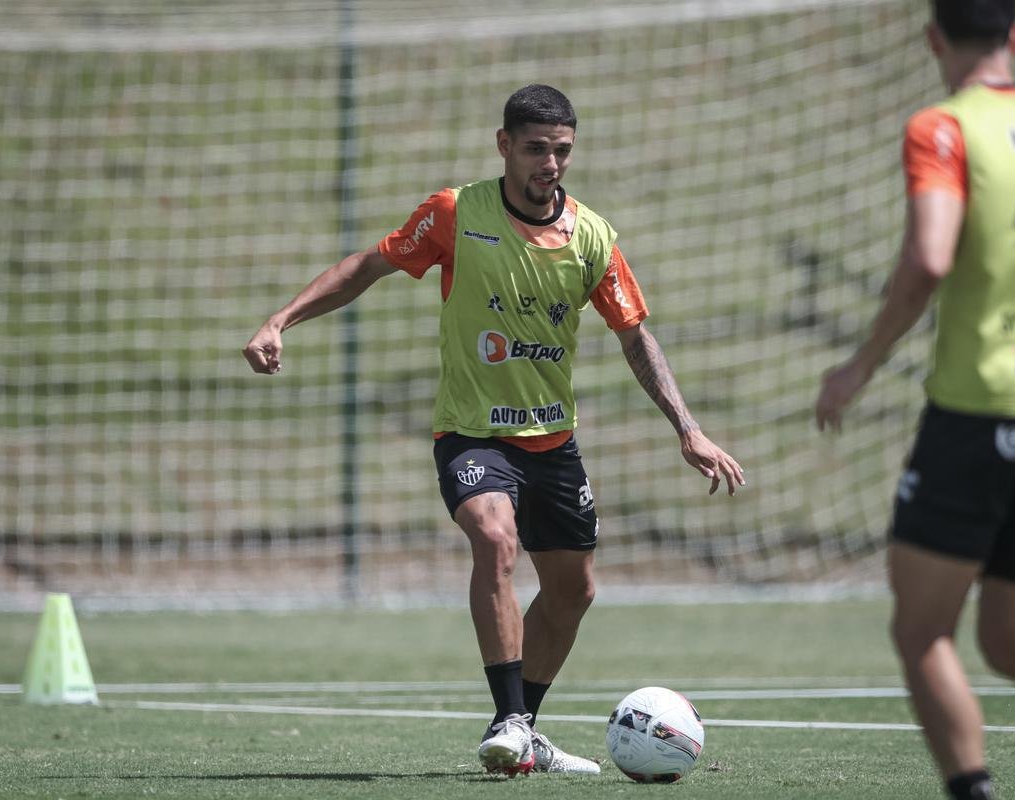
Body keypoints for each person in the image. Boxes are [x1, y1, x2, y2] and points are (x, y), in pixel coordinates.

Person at [244, 84, 744, 777]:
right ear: (503, 144)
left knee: (573, 591)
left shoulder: (592, 236)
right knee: (493, 535)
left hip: (552, 441)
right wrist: (280, 320)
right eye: (536, 148)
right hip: (471, 434)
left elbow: (635, 336)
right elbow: (369, 265)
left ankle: (524, 731)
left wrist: (687, 429)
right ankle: (509, 715)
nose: (550, 163)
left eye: (561, 150)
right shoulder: (456, 213)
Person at [815, 2, 1015, 798]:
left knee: (921, 633)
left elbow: (931, 253)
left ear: (931, 37)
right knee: (1014, 640)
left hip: (978, 411)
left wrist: (858, 365)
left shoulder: (944, 129)